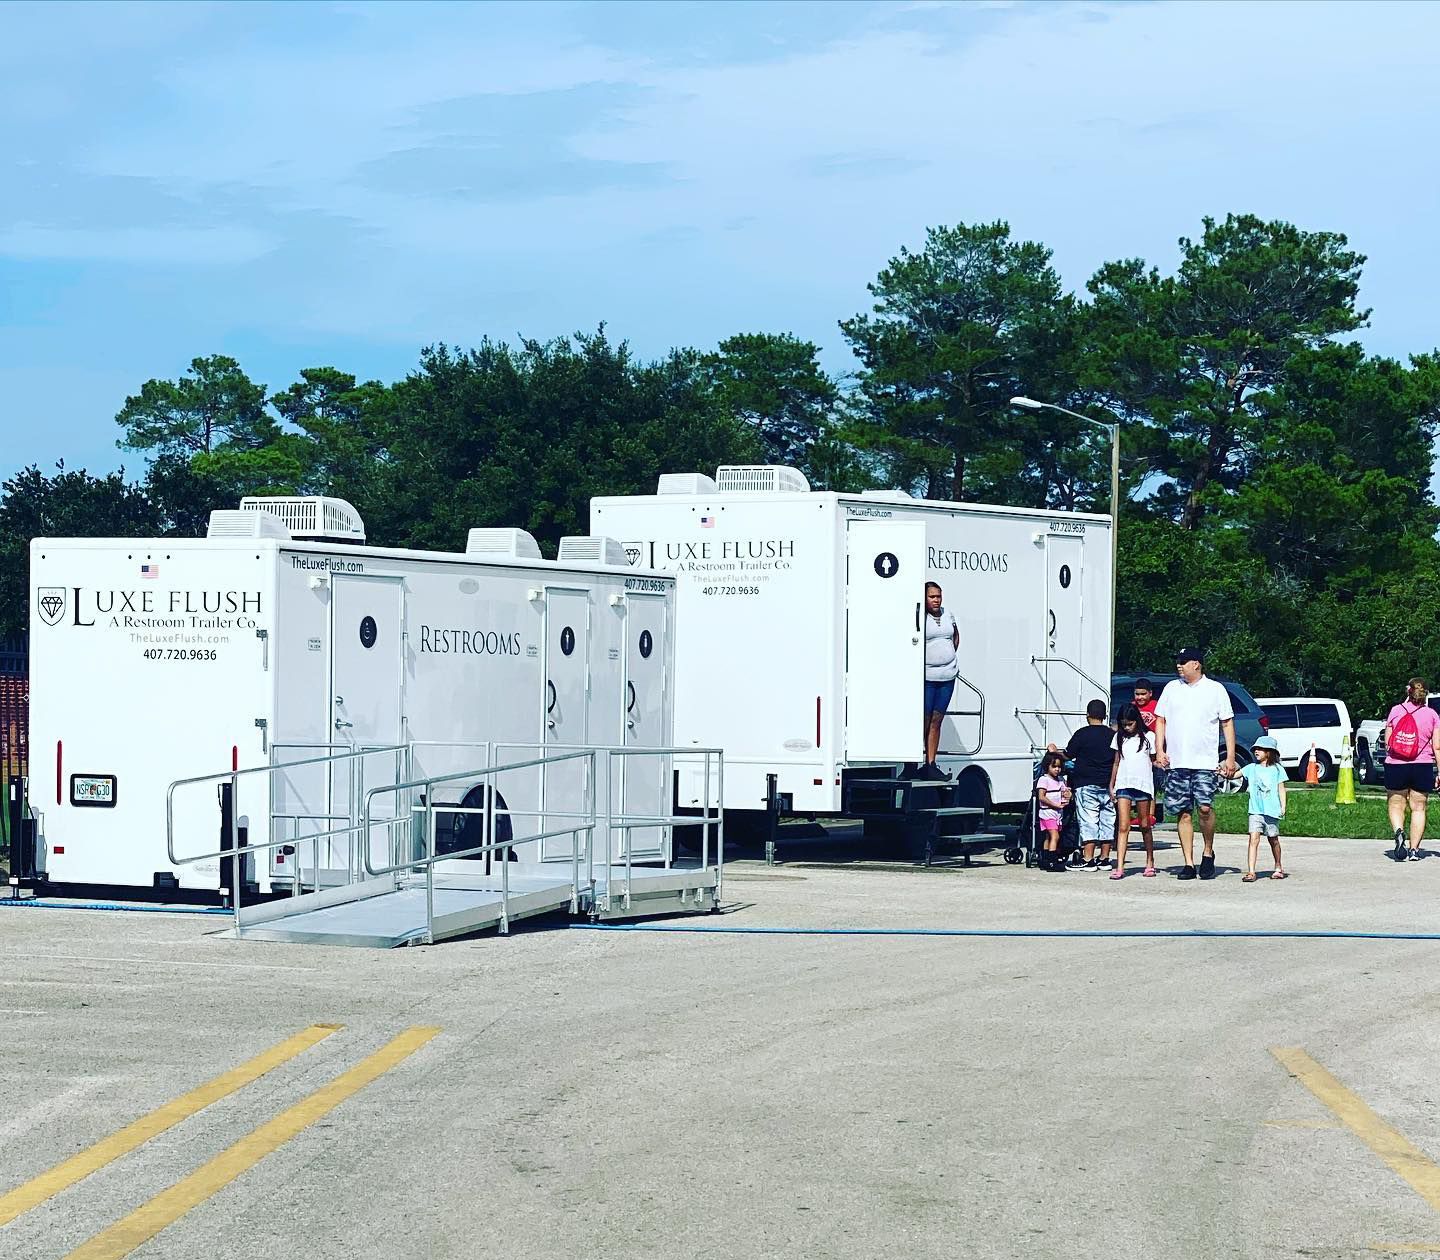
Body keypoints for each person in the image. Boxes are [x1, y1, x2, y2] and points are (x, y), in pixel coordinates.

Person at [1154, 646, 1236, 881]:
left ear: (1196, 664)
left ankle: (1207, 852)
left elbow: (1227, 724)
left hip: (1205, 762)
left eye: (1183, 661)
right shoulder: (1171, 689)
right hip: (1178, 762)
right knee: (1183, 812)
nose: (1179, 665)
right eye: (1177, 661)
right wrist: (1160, 750)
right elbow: (1161, 720)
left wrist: (1230, 758)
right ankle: (1188, 863)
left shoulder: (1215, 690)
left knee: (1205, 808)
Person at [1383, 677, 1440, 861]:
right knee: (1419, 808)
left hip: (1396, 764)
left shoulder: (1395, 711)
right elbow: (1437, 746)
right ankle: (1414, 850)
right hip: (1422, 765)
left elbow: (1387, 743)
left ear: (1408, 691)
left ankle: (1399, 831)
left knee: (1396, 804)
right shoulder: (1432, 715)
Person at [1062, 699, 1117, 870]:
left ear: (1087, 715)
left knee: (1089, 820)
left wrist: (1053, 751)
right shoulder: (1112, 735)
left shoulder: (1082, 734)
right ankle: (1105, 858)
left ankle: (1088, 859)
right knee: (1108, 820)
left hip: (1086, 783)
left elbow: (1068, 755)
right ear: (1105, 715)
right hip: (1108, 784)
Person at [1109, 703, 1157, 880]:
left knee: (1145, 825)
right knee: (1123, 826)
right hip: (1123, 784)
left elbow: (1153, 760)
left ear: (1137, 720)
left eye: (1130, 723)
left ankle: (1150, 860)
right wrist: (1112, 784)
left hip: (1142, 785)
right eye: (1124, 724)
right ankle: (1120, 865)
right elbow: (1116, 762)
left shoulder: (1149, 737)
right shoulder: (1118, 738)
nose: (1127, 727)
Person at [920, 581, 960, 780]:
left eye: (938, 596)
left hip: (947, 676)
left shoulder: (948, 614)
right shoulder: (920, 616)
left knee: (937, 720)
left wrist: (949, 656)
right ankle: (914, 762)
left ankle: (931, 763)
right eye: (932, 597)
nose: (936, 600)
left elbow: (955, 637)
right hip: (927, 677)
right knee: (924, 719)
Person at [1240, 735, 1288, 882]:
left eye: (1260, 749)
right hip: (1255, 811)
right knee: (1253, 839)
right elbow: (1235, 775)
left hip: (1271, 810)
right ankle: (1251, 871)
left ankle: (1278, 866)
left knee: (1273, 839)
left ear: (1269, 752)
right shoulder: (1251, 768)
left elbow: (1281, 789)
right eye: (1255, 749)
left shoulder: (1278, 770)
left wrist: (1283, 806)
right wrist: (1224, 773)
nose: (1256, 751)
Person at [1034, 751, 1072, 872]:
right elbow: (1041, 796)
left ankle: (1045, 859)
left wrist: (1068, 795)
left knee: (1048, 837)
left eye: (1059, 767)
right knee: (1054, 835)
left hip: (1057, 813)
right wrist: (1055, 805)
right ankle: (1052, 860)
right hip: (1047, 812)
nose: (1057, 769)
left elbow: (1065, 793)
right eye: (1054, 766)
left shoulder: (1061, 780)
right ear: (1047, 767)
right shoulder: (1043, 780)